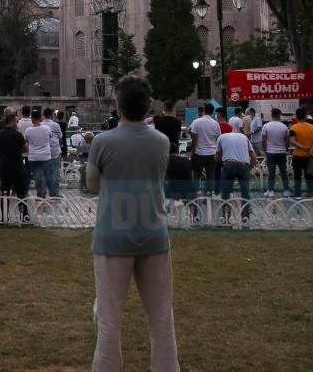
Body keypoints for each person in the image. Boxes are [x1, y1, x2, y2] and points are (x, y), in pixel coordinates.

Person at [86, 75, 178, 372]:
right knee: (161, 315)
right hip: (153, 234)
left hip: (113, 236)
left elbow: (91, 184)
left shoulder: (102, 142)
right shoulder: (162, 142)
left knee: (109, 317)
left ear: (118, 105)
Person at [215, 126, 255, 224]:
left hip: (228, 165)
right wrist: (249, 168)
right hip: (243, 165)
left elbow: (217, 157)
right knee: (245, 192)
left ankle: (225, 218)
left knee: (225, 192)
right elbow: (253, 156)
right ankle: (245, 218)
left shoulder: (221, 138)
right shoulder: (244, 137)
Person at [0, 109, 29, 221]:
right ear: (11, 121)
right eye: (16, 121)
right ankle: (24, 216)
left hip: (4, 166)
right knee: (21, 193)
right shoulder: (17, 134)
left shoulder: (0, 134)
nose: (17, 123)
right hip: (17, 166)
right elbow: (26, 148)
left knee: (4, 192)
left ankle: (4, 217)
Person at [188, 103, 221, 195]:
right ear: (212, 111)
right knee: (211, 176)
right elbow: (218, 139)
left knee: (196, 176)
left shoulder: (196, 122)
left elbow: (194, 138)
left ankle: (194, 197)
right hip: (212, 153)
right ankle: (208, 196)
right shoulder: (215, 124)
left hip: (199, 153)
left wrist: (193, 151)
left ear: (204, 110)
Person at [289, 110, 313, 198]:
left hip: (298, 155)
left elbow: (292, 141)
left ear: (297, 117)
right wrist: (311, 148)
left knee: (297, 176)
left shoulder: (294, 128)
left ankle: (297, 194)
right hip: (310, 155)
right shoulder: (312, 127)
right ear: (305, 116)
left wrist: (303, 147)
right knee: (310, 174)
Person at [260, 109, 289, 198]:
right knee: (283, 172)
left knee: (271, 172)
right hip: (281, 152)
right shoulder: (284, 127)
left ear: (271, 115)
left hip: (270, 152)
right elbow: (287, 140)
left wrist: (265, 150)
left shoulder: (266, 126)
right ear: (279, 115)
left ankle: (271, 190)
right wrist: (285, 148)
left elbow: (263, 140)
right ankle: (286, 191)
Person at [24, 112, 53, 200]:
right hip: (46, 156)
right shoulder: (47, 128)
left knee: (37, 175)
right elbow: (49, 138)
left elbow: (27, 142)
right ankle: (44, 193)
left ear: (32, 119)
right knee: (44, 174)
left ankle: (39, 193)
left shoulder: (28, 130)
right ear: (40, 118)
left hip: (34, 156)